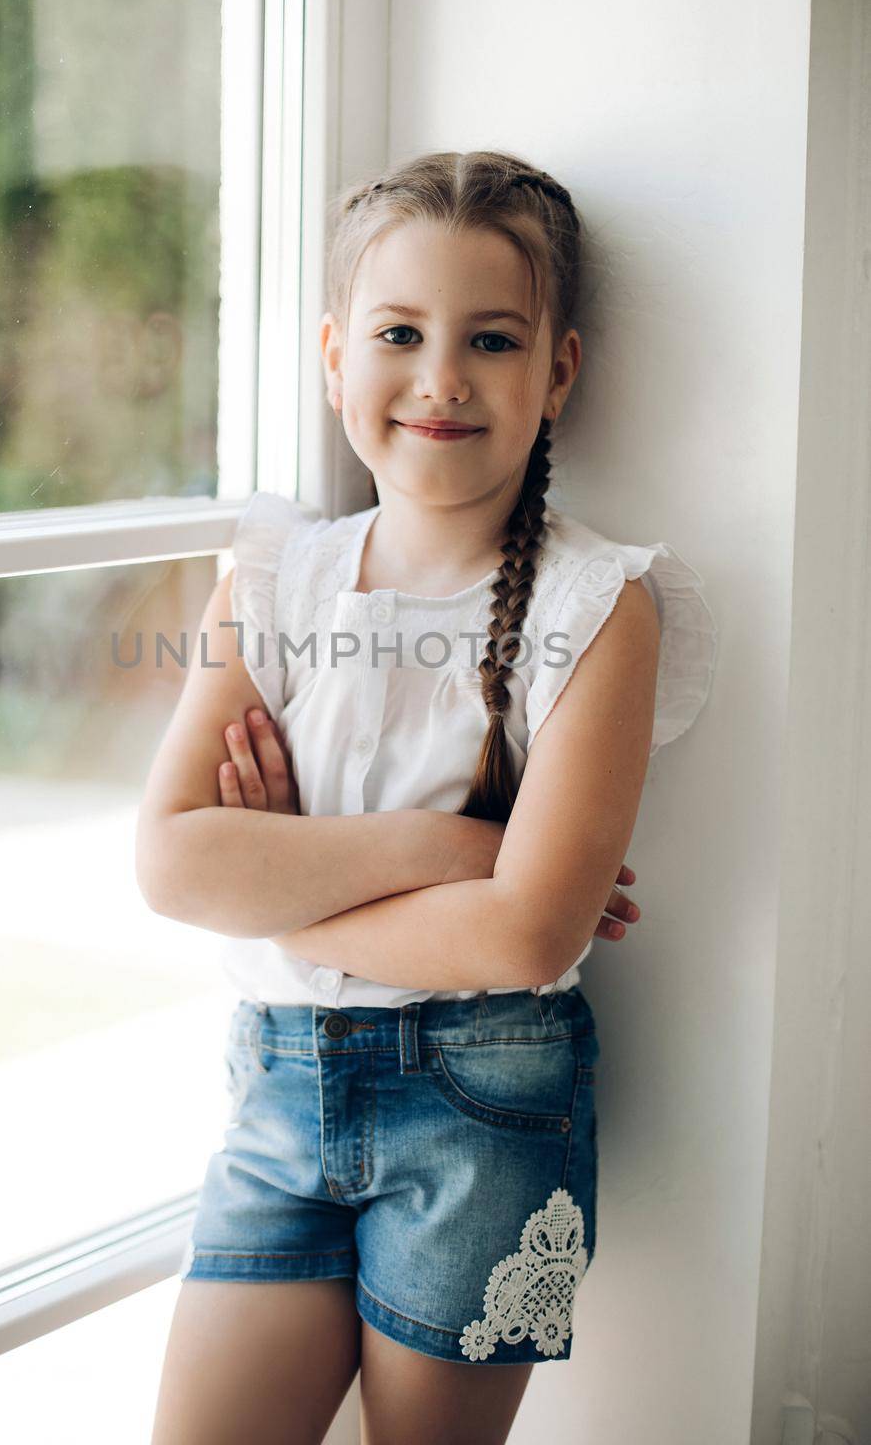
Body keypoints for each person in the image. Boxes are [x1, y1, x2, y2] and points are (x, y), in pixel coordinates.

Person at [137, 149, 719, 1444]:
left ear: (558, 369)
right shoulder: (279, 583)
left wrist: (282, 886)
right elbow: (175, 863)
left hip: (485, 1109)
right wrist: (450, 848)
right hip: (277, 1099)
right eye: (400, 333)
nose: (442, 377)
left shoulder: (600, 609)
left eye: (492, 339)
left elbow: (525, 937)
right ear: (339, 357)